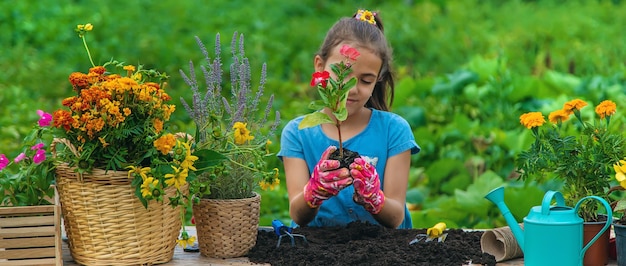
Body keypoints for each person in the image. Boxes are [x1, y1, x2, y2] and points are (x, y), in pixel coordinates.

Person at [278, 9, 420, 229]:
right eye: (342, 74)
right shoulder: (298, 132)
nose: (351, 89)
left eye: (365, 81)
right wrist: (314, 191)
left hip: (383, 248)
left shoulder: (394, 130)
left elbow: (395, 218)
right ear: (320, 67)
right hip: (319, 250)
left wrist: (375, 199)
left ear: (377, 81)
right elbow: (298, 215)